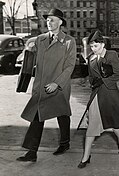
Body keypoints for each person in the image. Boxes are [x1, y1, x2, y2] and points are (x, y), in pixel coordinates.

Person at [16, 8, 76, 162]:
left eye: (53, 20)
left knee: (62, 114)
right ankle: (32, 152)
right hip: (42, 85)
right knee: (37, 116)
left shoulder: (69, 41)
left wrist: (57, 83)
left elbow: (70, 66)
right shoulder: (40, 39)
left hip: (58, 85)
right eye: (48, 20)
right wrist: (27, 50)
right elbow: (27, 54)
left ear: (60, 22)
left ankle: (64, 143)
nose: (49, 22)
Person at [77, 30, 119, 168]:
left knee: (114, 122)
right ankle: (86, 157)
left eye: (95, 46)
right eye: (91, 46)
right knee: (92, 126)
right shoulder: (90, 58)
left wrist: (104, 81)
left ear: (102, 44)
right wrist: (91, 83)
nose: (93, 49)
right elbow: (91, 76)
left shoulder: (111, 55)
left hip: (110, 94)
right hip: (96, 95)